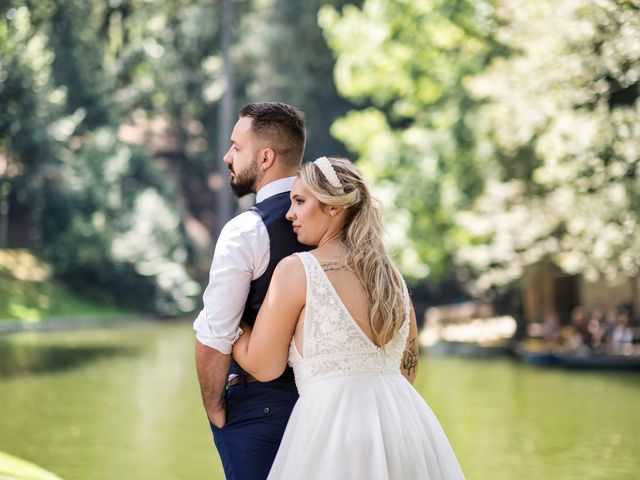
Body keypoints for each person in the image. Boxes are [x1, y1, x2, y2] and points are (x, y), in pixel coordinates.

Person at [233, 157, 465, 479]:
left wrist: (232, 325)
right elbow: (408, 371)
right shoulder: (392, 277)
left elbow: (263, 365)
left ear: (333, 207)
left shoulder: (297, 270)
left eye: (300, 201)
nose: (290, 214)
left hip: (335, 434)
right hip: (405, 430)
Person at [193, 102, 309, 480]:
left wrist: (214, 408)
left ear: (265, 157)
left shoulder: (246, 230)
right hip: (326, 405)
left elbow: (215, 335)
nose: (227, 157)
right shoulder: (342, 225)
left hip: (261, 410)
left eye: (236, 148)